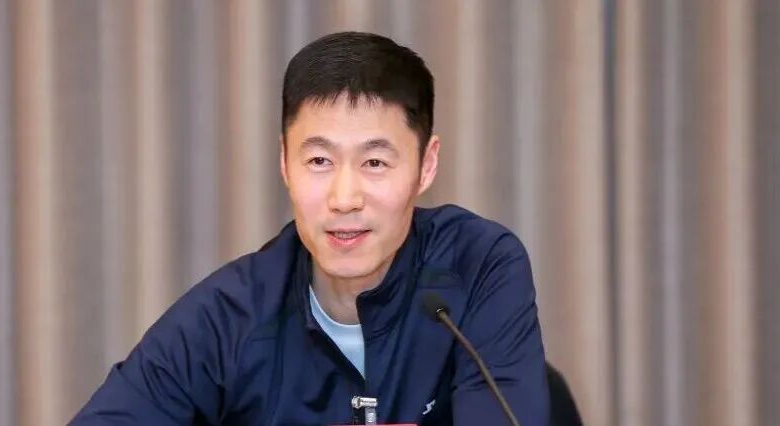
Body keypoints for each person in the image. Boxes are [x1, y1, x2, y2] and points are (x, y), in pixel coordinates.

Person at [72, 31, 549, 425]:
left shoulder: (477, 265)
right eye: (319, 161)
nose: (344, 198)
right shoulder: (229, 316)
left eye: (375, 162)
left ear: (426, 165)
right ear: (284, 162)